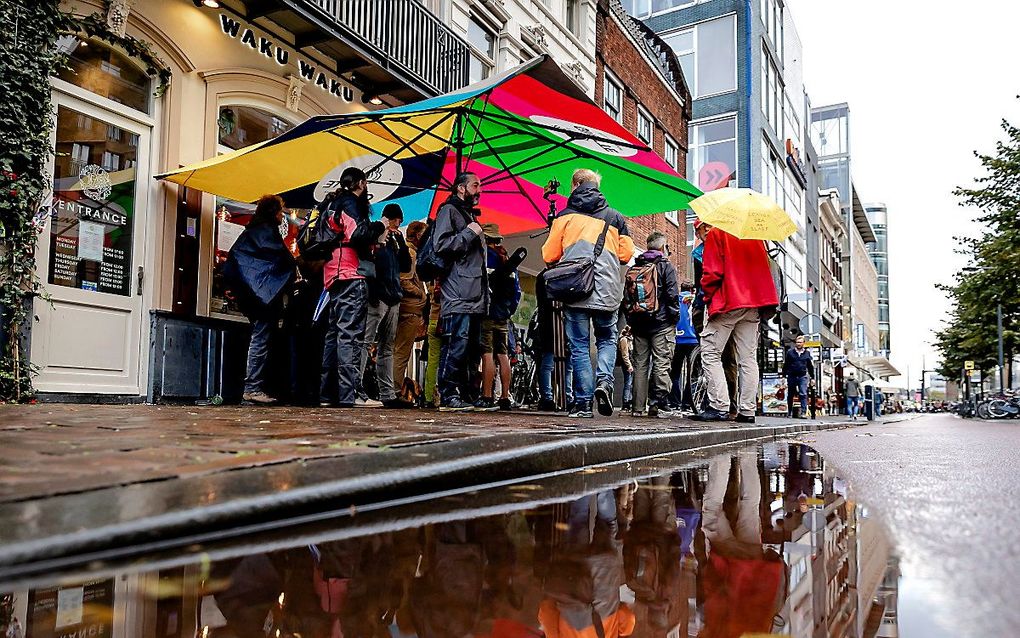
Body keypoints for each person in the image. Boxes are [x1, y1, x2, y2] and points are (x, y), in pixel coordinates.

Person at [542, 169, 635, 418]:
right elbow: (626, 255)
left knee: (580, 346)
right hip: (607, 290)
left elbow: (549, 256)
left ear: (574, 186)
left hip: (576, 289)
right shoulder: (616, 218)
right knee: (607, 339)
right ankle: (604, 382)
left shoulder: (564, 217)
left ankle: (583, 404)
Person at [692, 223, 779, 424]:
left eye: (699, 230)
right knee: (748, 358)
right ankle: (747, 410)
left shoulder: (717, 233)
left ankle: (719, 406)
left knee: (710, 351)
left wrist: (706, 297)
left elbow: (712, 274)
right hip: (755, 302)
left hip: (730, 300)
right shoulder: (753, 234)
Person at [224, 194, 295, 405]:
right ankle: (252, 387)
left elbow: (234, 260)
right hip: (263, 296)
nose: (283, 216)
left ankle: (254, 386)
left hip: (251, 295)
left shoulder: (250, 232)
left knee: (260, 338)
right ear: (273, 213)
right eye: (281, 212)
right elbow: (285, 260)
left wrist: (234, 288)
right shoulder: (267, 233)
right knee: (260, 339)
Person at [319, 167, 380, 408]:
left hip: (332, 274)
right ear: (361, 183)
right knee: (350, 335)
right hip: (351, 272)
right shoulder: (350, 203)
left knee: (334, 334)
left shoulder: (331, 203)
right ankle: (350, 394)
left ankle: (327, 394)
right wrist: (379, 227)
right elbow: (358, 234)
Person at [435, 172, 488, 412]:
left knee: (471, 348)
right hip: (458, 291)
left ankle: (467, 393)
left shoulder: (466, 214)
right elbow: (442, 245)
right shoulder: (448, 211)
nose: (479, 190)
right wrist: (470, 232)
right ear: (460, 188)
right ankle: (448, 393)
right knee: (456, 343)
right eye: (475, 185)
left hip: (473, 292)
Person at [359, 203, 411, 408]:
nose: (398, 225)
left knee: (386, 346)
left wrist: (401, 243)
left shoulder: (397, 239)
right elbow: (371, 261)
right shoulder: (376, 232)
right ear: (393, 219)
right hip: (379, 294)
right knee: (367, 341)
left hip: (392, 295)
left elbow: (406, 265)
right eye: (397, 221)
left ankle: (387, 393)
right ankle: (357, 388)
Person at [625, 231, 680, 418]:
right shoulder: (666, 266)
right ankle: (658, 403)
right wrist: (674, 318)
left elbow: (626, 298)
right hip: (661, 324)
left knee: (640, 365)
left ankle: (637, 408)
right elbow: (672, 295)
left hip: (639, 324)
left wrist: (631, 321)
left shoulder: (635, 266)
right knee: (661, 363)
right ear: (663, 248)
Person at [475, 223, 522, 412]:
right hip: (504, 316)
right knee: (503, 355)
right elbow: (517, 293)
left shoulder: (485, 259)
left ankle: (486, 395)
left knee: (487, 354)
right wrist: (508, 310)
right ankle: (504, 396)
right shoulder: (509, 262)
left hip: (487, 313)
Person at [393, 220, 428, 398]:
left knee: (398, 351)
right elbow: (404, 280)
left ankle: (394, 388)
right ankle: (395, 389)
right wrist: (421, 294)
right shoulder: (411, 254)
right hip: (409, 308)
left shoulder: (408, 251)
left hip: (406, 307)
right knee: (401, 352)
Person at [669, 281, 699, 413]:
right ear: (692, 289)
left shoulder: (676, 299)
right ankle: (687, 403)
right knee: (693, 374)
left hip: (678, 339)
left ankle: (675, 402)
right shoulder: (695, 299)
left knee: (674, 372)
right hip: (694, 339)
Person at [782, 335, 814, 418]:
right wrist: (783, 376)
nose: (798, 344)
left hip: (802, 376)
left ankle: (803, 412)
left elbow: (810, 366)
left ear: (804, 343)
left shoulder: (807, 353)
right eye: (797, 342)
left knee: (803, 393)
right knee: (791, 394)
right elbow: (786, 364)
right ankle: (789, 412)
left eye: (800, 342)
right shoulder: (790, 352)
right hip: (792, 375)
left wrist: (812, 377)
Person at [618, 326, 635, 412]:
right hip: (627, 364)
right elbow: (625, 354)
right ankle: (626, 402)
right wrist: (629, 365)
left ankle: (629, 401)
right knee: (628, 383)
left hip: (631, 363)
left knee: (630, 383)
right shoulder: (624, 340)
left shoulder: (630, 339)